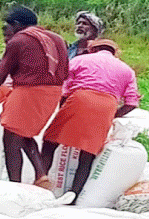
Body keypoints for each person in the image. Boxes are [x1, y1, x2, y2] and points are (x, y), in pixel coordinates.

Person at [0, 5, 68, 187]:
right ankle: (41, 174)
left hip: (29, 91)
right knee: (23, 133)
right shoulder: (57, 39)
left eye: (7, 26)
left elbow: (1, 72)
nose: (7, 31)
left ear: (17, 24)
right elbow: (66, 70)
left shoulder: (19, 40)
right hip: (53, 92)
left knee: (11, 137)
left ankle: (15, 185)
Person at [41, 39, 141, 198]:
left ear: (92, 49)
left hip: (80, 99)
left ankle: (40, 182)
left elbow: (64, 88)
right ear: (115, 53)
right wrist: (112, 115)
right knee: (87, 155)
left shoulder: (80, 60)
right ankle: (73, 196)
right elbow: (132, 103)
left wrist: (63, 109)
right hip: (107, 105)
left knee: (50, 141)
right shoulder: (127, 70)